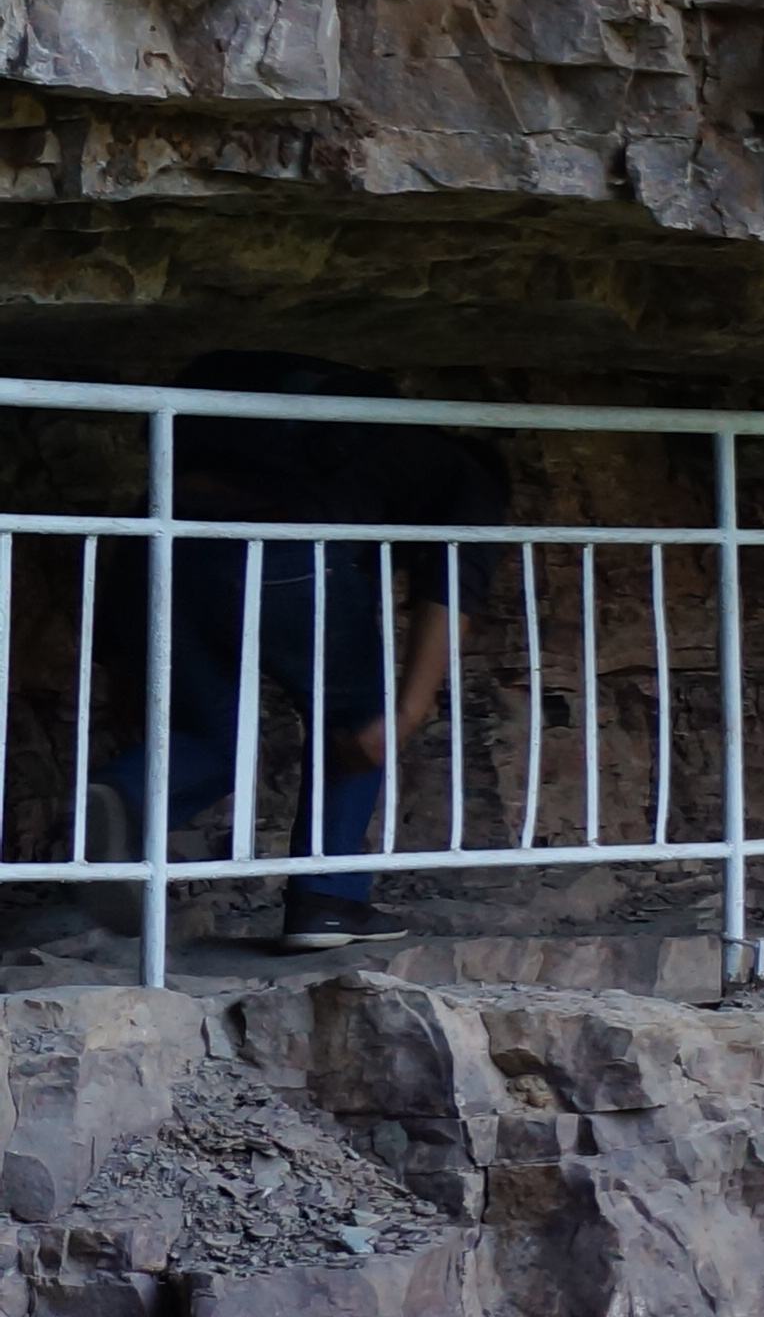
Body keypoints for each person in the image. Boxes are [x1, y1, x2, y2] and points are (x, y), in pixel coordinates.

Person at [86, 356, 504, 952]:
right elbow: (451, 586)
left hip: (164, 532)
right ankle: (328, 899)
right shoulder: (471, 481)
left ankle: (118, 796)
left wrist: (120, 664)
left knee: (208, 735)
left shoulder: (364, 448)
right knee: (359, 720)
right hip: (286, 541)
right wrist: (405, 715)